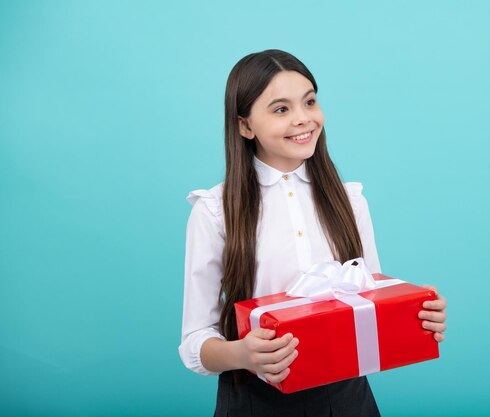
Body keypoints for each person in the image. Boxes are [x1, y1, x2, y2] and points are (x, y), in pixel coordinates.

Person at [178, 49, 448, 417]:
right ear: (245, 125)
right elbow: (196, 340)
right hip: (254, 401)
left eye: (309, 101)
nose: (304, 119)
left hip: (348, 398)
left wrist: (417, 311)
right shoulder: (214, 211)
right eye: (281, 109)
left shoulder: (349, 200)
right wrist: (242, 353)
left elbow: (368, 297)